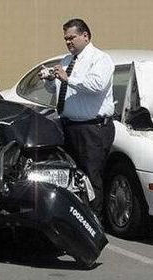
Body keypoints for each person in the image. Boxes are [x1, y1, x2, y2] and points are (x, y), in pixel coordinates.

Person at [39, 18, 115, 221]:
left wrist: (67, 78)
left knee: (91, 177)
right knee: (71, 176)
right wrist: (49, 81)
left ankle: (94, 221)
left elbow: (96, 86)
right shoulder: (66, 61)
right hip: (68, 126)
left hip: (92, 128)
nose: (68, 42)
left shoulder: (100, 59)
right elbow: (60, 91)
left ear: (85, 36)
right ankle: (75, 219)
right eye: (65, 39)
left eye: (72, 38)